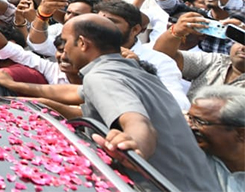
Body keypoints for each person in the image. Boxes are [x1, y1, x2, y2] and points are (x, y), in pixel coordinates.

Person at [60, 14, 219, 191]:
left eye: (65, 41)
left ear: (82, 43)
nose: (64, 50)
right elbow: (73, 92)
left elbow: (137, 122)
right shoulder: (131, 70)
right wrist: (24, 89)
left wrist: (135, 144)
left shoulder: (101, 77)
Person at [186, 86, 245, 191]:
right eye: (190, 118)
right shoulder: (188, 155)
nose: (190, 126)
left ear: (241, 133)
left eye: (199, 122)